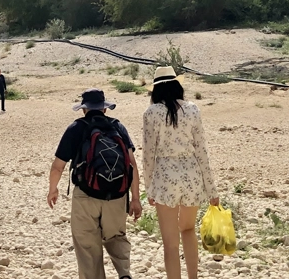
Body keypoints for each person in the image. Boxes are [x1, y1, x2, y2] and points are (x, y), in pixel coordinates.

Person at [48, 88, 142, 279]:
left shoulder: (76, 128)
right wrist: (135, 199)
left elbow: (58, 166)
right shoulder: (117, 127)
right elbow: (132, 165)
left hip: (86, 195)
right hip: (117, 194)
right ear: (104, 109)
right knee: (116, 237)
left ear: (84, 109)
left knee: (87, 244)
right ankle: (124, 273)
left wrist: (53, 189)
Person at [140, 67, 218, 279]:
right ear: (177, 85)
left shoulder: (151, 113)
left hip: (165, 176)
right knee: (188, 230)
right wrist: (212, 189)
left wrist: (149, 189)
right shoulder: (193, 109)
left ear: (155, 90)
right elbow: (201, 150)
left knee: (170, 243)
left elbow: (148, 155)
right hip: (192, 174)